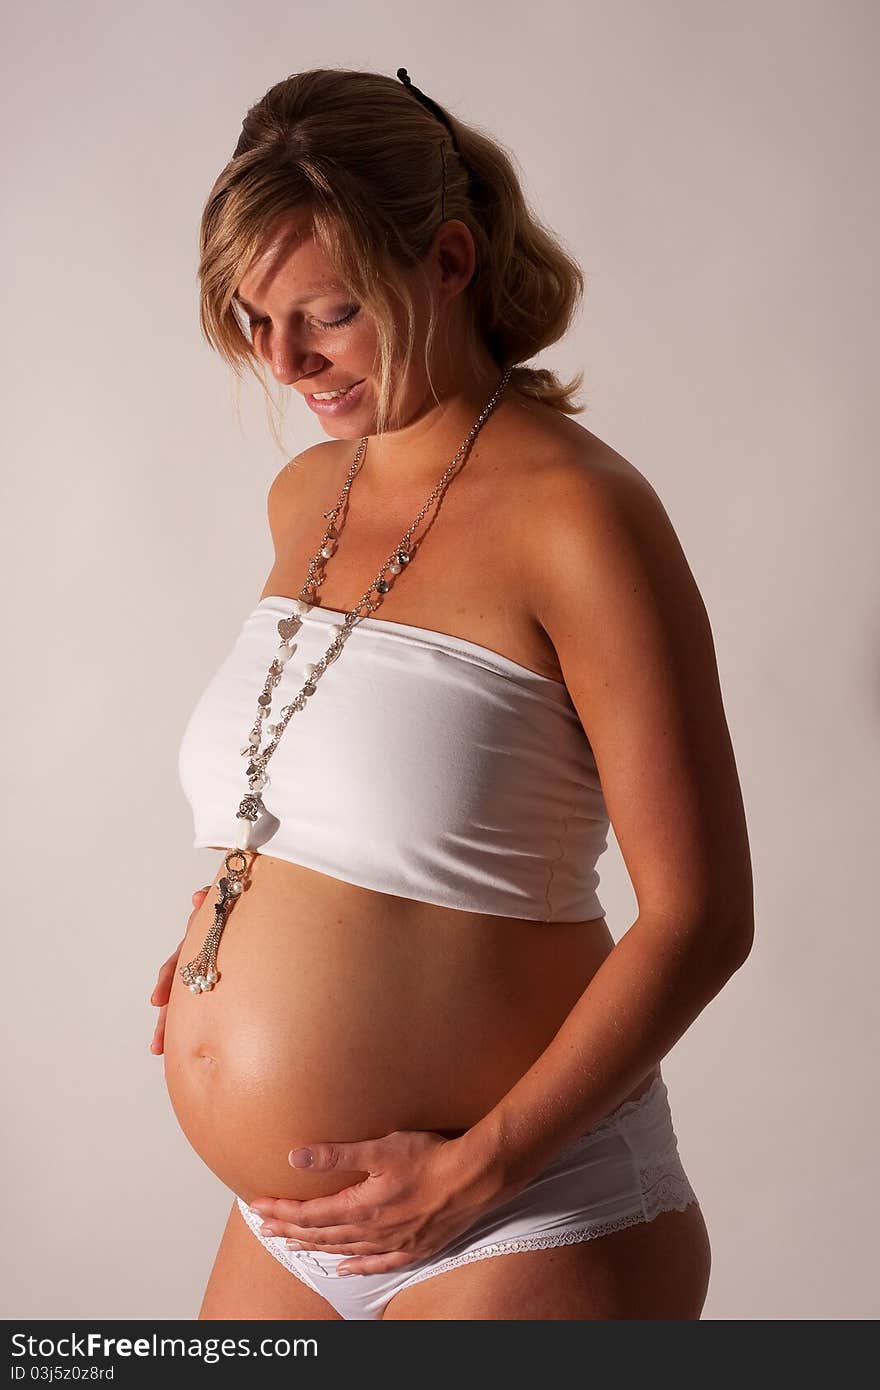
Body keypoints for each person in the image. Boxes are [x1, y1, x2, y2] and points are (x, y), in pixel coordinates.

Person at [149, 66, 753, 1321]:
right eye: (252, 319)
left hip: (521, 1220)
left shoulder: (579, 515)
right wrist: (236, 929)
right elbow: (349, 786)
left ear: (451, 260)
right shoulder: (306, 494)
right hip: (291, 1225)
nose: (284, 360)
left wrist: (478, 1167)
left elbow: (701, 914)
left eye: (327, 312)